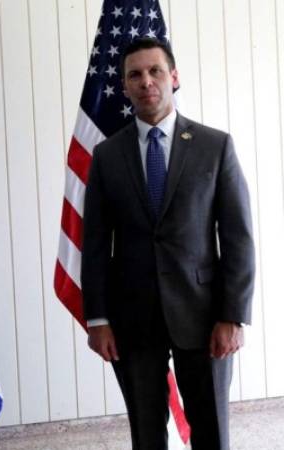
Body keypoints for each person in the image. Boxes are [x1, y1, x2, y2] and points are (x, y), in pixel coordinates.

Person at [81, 38, 255, 450]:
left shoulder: (216, 147)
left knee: (211, 431)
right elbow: (94, 244)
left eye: (155, 71)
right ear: (124, 86)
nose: (146, 82)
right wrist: (98, 319)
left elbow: (238, 239)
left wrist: (233, 315)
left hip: (204, 316)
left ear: (173, 77)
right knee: (146, 434)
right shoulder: (106, 155)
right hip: (132, 319)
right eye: (135, 75)